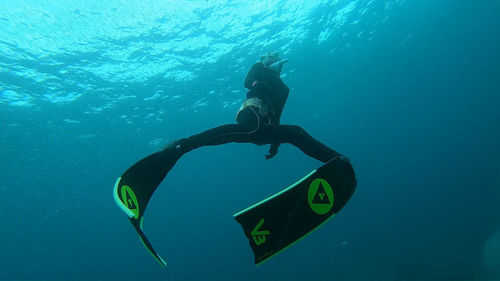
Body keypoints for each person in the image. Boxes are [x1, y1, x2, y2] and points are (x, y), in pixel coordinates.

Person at [160, 51, 341, 164]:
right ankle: (183, 144)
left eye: (275, 60)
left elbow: (277, 115)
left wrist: (275, 143)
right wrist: (263, 71)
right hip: (251, 112)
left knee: (295, 132)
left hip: (265, 128)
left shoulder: (283, 89)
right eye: (270, 58)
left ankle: (335, 160)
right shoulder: (259, 69)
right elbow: (248, 81)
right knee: (247, 129)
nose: (273, 60)